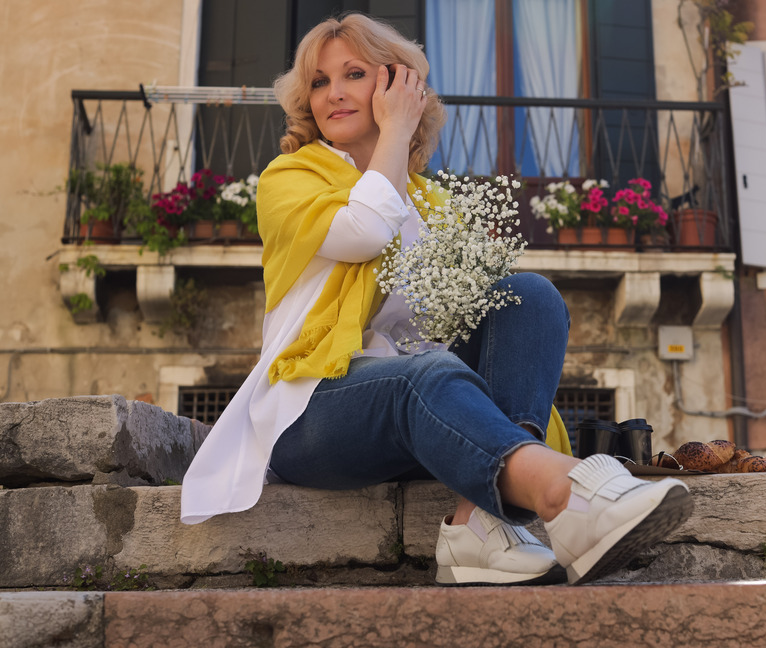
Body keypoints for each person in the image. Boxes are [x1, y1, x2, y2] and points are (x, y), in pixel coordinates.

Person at [180, 12, 692, 586]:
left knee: (527, 296)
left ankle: (478, 524)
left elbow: (484, 332)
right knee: (422, 373)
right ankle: (567, 497)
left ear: (401, 85)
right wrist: (395, 131)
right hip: (308, 415)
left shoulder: (432, 203)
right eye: (319, 82)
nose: (335, 93)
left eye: (353, 73)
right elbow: (366, 231)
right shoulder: (290, 177)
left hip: (424, 414)